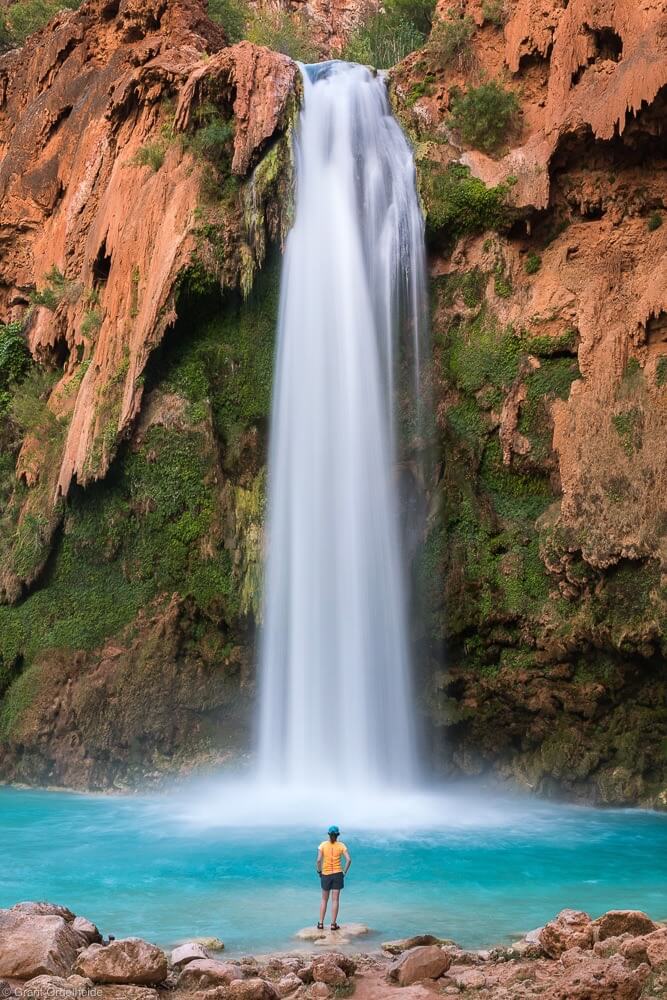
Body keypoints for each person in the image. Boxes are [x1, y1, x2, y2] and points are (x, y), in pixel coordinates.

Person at [316, 825, 351, 930]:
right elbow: (349, 860)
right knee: (335, 900)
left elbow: (318, 860)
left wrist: (319, 871)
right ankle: (333, 924)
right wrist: (344, 872)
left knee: (324, 899)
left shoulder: (322, 845)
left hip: (325, 874)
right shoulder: (341, 846)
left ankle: (321, 923)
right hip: (337, 874)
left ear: (328, 834)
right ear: (337, 835)